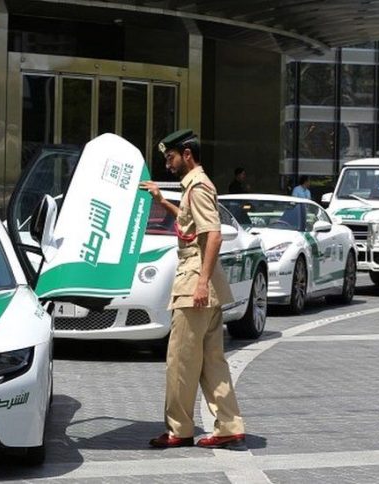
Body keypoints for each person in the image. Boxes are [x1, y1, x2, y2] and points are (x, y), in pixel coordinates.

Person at [140, 129, 246, 450]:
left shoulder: (197, 187)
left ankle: (179, 430)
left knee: (181, 360)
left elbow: (212, 235)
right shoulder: (195, 187)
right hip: (207, 284)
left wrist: (200, 283)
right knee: (213, 361)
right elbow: (191, 224)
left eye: (171, 157)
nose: (168, 164)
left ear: (187, 154)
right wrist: (162, 201)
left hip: (194, 283)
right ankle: (228, 425)